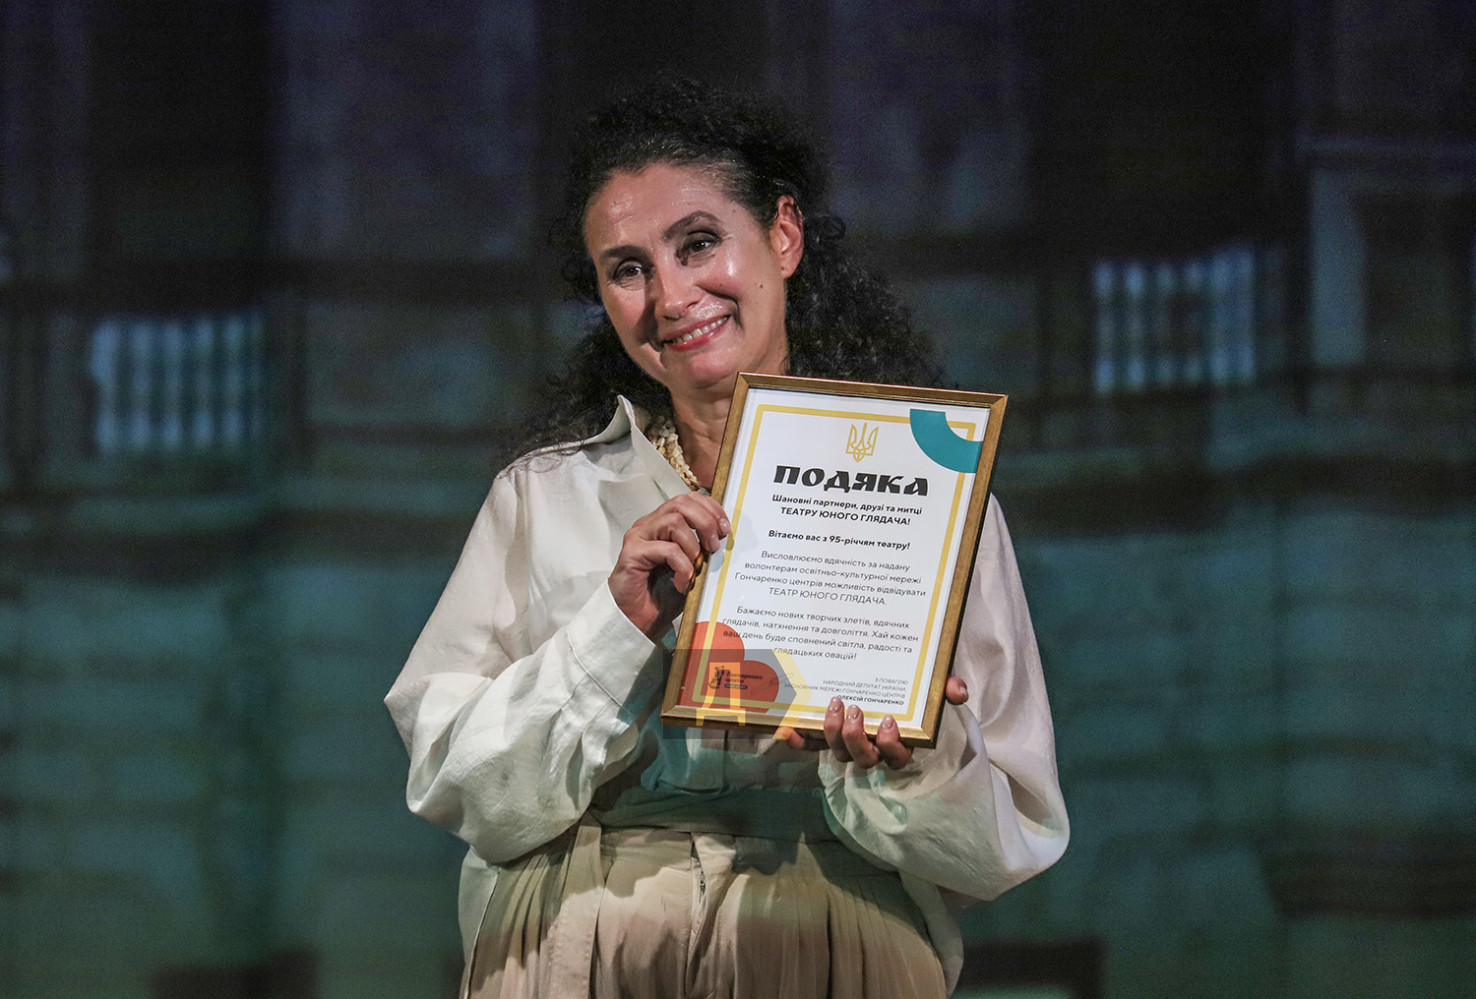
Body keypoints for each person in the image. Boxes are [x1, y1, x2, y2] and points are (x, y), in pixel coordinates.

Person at [386, 78, 1068, 998]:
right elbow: (459, 788)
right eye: (627, 268)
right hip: (575, 943)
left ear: (783, 236)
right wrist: (614, 631)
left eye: (699, 242)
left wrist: (913, 762)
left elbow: (1003, 846)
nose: (671, 296)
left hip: (830, 939)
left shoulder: (933, 506)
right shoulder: (543, 497)